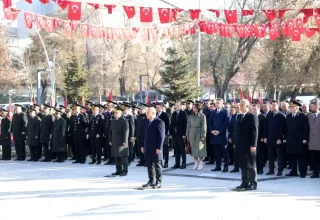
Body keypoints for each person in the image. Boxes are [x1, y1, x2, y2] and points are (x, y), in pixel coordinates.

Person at [234, 99, 258, 191]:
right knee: (243, 164)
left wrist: (253, 145)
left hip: (249, 145)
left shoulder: (252, 116)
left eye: (242, 105)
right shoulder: (240, 116)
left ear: (247, 106)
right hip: (241, 145)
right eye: (240, 105)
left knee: (251, 165)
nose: (240, 106)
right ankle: (245, 182)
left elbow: (255, 132)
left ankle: (253, 183)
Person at [142, 107, 165, 189]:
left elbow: (161, 137)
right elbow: (145, 135)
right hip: (148, 147)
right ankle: (151, 180)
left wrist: (159, 147)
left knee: (157, 165)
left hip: (156, 148)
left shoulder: (159, 122)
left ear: (153, 113)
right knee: (149, 165)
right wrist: (142, 145)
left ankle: (158, 181)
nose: (146, 113)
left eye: (148, 112)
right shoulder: (147, 121)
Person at [284, 100, 309, 178]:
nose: (290, 108)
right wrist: (285, 138)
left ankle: (302, 172)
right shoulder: (288, 116)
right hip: (290, 140)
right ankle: (293, 171)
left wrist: (305, 138)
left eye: (292, 107)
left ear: (297, 108)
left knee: (301, 157)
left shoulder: (302, 116)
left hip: (299, 140)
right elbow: (286, 129)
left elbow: (305, 128)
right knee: (292, 157)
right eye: (290, 107)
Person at [264, 101, 286, 176]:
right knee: (270, 155)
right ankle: (271, 169)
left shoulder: (281, 116)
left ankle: (280, 170)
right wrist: (265, 137)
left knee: (279, 155)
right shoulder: (269, 115)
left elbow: (283, 128)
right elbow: (266, 127)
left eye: (274, 105)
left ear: (277, 106)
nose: (273, 107)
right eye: (272, 105)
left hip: (278, 139)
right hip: (270, 138)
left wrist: (280, 138)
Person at [209, 98, 230, 172]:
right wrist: (212, 130)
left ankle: (226, 166)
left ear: (222, 104)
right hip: (214, 134)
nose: (217, 104)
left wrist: (219, 131)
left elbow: (226, 123)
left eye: (218, 103)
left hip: (222, 135)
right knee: (216, 152)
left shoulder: (225, 112)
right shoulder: (213, 112)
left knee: (224, 151)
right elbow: (210, 122)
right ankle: (218, 166)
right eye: (216, 103)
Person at [109, 106, 129, 176]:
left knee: (123, 156)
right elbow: (111, 131)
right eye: (114, 113)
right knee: (116, 156)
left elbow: (126, 132)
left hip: (121, 141)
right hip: (115, 141)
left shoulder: (124, 121)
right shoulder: (113, 120)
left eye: (117, 113)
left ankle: (125, 170)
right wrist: (110, 140)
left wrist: (125, 141)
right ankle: (118, 170)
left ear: (120, 114)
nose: (115, 114)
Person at [186, 103, 207, 170]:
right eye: (193, 107)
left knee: (200, 149)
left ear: (198, 108)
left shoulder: (202, 116)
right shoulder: (190, 116)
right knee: (193, 149)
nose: (193, 109)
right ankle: (195, 163)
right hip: (192, 133)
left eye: (194, 107)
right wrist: (187, 135)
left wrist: (203, 135)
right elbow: (188, 126)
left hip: (199, 132)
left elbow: (204, 126)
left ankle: (201, 163)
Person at [170, 102, 188, 169]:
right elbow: (171, 124)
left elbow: (185, 124)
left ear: (181, 106)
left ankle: (183, 163)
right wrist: (171, 133)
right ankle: (177, 164)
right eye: (175, 105)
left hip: (181, 134)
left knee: (182, 149)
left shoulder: (184, 114)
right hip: (175, 134)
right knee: (176, 149)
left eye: (177, 105)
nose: (176, 106)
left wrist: (184, 134)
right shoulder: (174, 113)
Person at [251, 104, 266, 174]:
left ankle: (261, 168)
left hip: (260, 138)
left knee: (260, 154)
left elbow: (264, 128)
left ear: (259, 109)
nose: (254, 110)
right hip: (253, 138)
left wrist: (263, 137)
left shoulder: (262, 117)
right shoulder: (251, 117)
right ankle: (255, 168)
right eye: (253, 109)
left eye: (255, 109)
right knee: (254, 155)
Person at [307, 101, 320, 178]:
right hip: (312, 141)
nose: (310, 108)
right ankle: (315, 172)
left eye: (312, 107)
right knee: (313, 158)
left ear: (317, 107)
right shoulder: (309, 116)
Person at [155, 102, 170, 168]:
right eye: (156, 107)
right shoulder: (155, 114)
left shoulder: (165, 115)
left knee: (165, 149)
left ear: (161, 108)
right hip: (156, 135)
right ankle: (160, 161)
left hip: (164, 134)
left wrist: (166, 134)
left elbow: (168, 125)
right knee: (159, 148)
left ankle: (166, 162)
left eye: (158, 107)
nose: (157, 109)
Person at [228, 103, 240, 173]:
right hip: (234, 138)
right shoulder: (233, 116)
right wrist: (230, 137)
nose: (236, 108)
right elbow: (231, 128)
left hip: (242, 139)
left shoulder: (243, 116)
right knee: (235, 153)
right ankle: (236, 167)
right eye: (235, 107)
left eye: (237, 107)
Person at [103, 101, 115, 165]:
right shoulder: (107, 113)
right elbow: (105, 124)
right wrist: (104, 132)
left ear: (112, 106)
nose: (107, 107)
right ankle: (109, 159)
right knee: (108, 146)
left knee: (112, 147)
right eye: (107, 106)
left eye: (109, 106)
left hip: (112, 132)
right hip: (107, 133)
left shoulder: (114, 113)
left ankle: (113, 160)